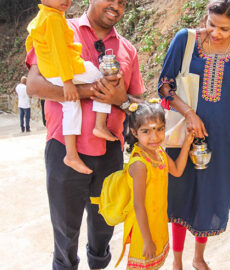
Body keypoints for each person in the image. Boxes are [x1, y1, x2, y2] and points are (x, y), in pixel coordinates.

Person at [26, 0, 145, 269]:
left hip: (109, 151)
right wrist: (90, 91)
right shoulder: (58, 26)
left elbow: (138, 103)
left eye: (122, 3)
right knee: (65, 230)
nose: (116, 6)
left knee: (104, 225)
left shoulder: (128, 50)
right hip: (63, 150)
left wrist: (121, 100)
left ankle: (98, 264)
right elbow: (34, 85)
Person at [158, 0, 230, 269]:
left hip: (223, 138)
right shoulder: (186, 40)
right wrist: (189, 114)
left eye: (224, 29)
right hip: (183, 132)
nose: (215, 32)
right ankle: (177, 261)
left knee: (210, 194)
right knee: (180, 193)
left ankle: (198, 257)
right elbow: (165, 85)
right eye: (211, 24)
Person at [25, 0, 117, 175]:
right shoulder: (53, 19)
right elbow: (60, 51)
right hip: (65, 69)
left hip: (50, 70)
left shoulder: (43, 16)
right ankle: (100, 125)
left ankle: (71, 154)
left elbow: (31, 40)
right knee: (101, 78)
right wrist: (67, 82)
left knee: (70, 106)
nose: (66, 1)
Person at [102, 101, 193, 269]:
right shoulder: (140, 164)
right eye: (146, 131)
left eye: (159, 129)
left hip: (157, 223)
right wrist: (147, 240)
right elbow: (138, 205)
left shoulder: (159, 152)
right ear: (135, 132)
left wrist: (187, 142)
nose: (154, 137)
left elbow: (178, 171)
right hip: (143, 230)